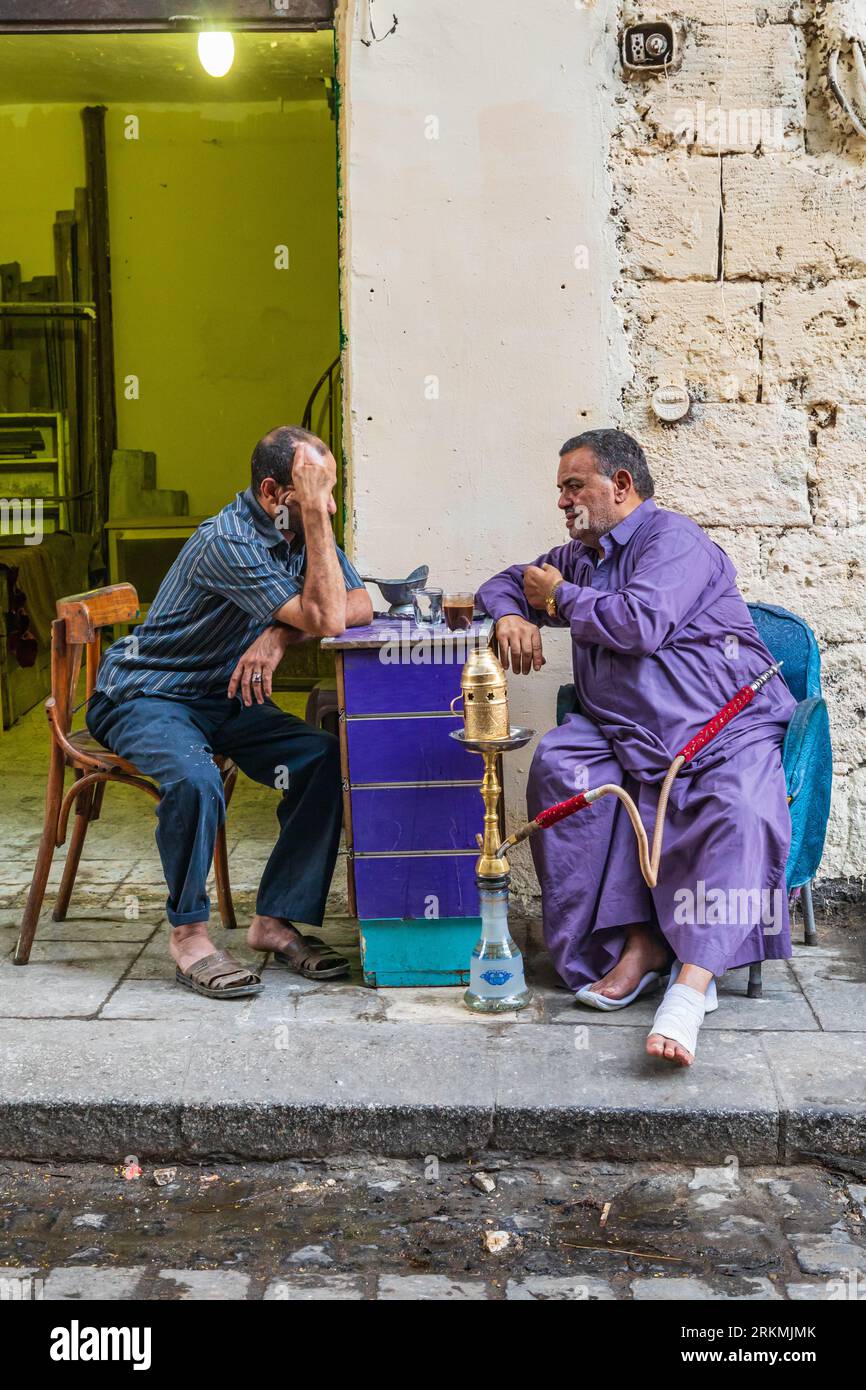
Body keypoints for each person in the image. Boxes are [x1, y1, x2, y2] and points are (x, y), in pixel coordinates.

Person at [476, 429, 795, 1065]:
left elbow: (639, 623)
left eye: (574, 486)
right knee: (562, 768)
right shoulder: (580, 554)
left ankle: (691, 984)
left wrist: (557, 599)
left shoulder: (673, 539)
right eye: (560, 490)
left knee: (741, 811)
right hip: (628, 734)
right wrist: (512, 613)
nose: (563, 502)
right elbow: (508, 581)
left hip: (721, 726)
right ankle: (633, 943)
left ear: (620, 486)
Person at [87, 425, 373, 999]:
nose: (329, 505)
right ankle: (189, 933)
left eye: (330, 490)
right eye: (314, 491)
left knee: (323, 758)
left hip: (222, 698)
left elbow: (357, 604)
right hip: (148, 695)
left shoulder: (297, 532)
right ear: (273, 494)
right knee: (195, 779)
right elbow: (328, 616)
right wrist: (316, 524)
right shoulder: (230, 541)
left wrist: (274, 634)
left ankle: (273, 920)